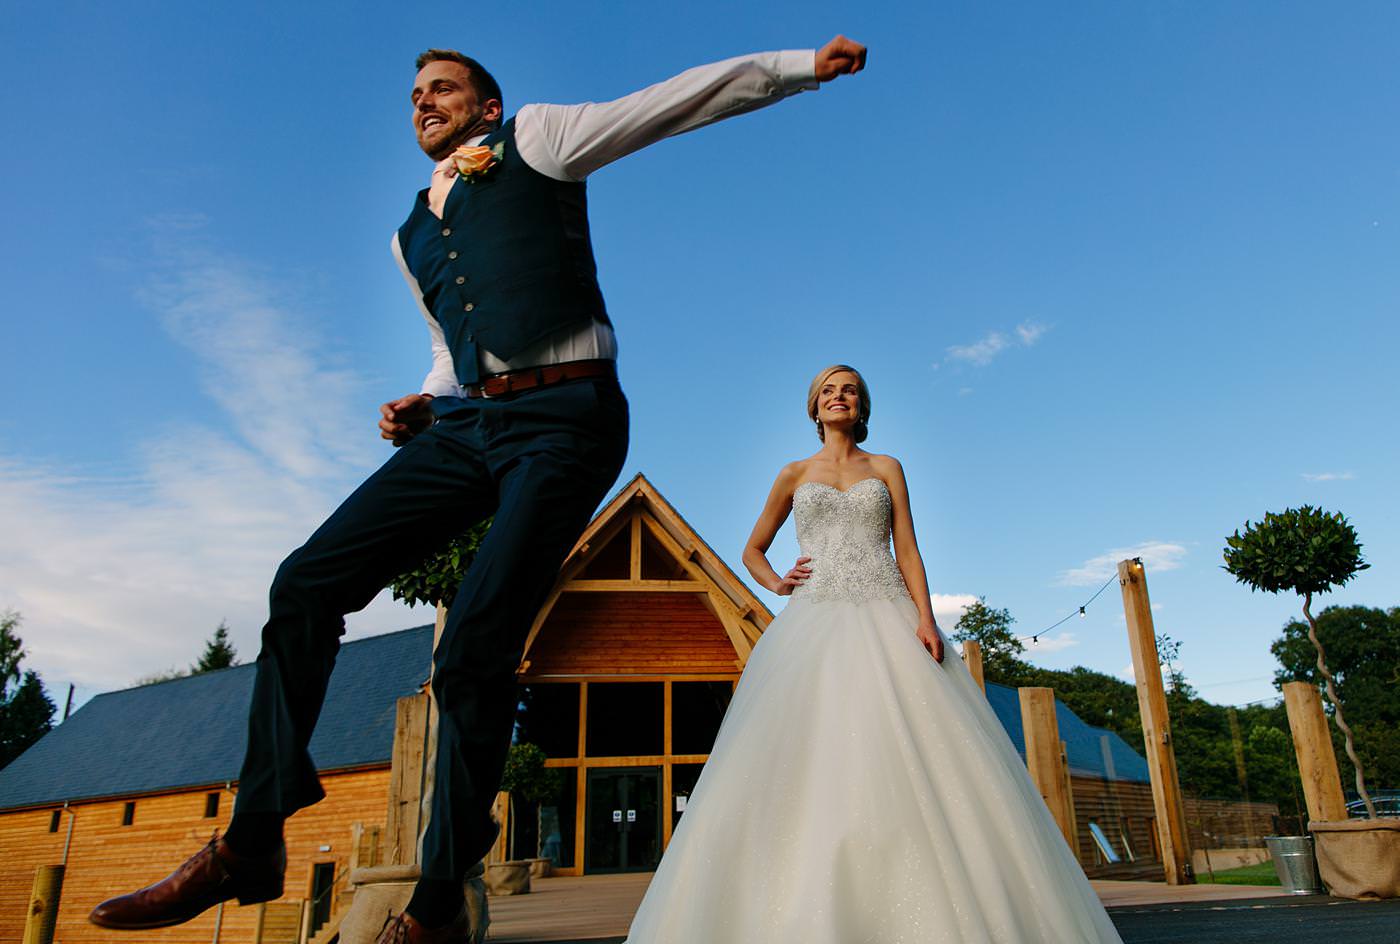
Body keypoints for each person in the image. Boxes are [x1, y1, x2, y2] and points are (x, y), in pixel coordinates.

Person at [88, 37, 868, 944]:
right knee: (304, 584)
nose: (425, 100)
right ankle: (254, 839)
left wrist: (800, 66)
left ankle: (437, 901)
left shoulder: (540, 138)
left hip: (569, 415)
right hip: (468, 427)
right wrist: (423, 404)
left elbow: (676, 101)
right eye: (415, 93)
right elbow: (448, 356)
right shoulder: (408, 235)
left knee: (474, 644)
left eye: (444, 88)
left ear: (486, 107)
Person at [622, 365, 1125, 943]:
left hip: (888, 611)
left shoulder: (886, 468)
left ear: (861, 407)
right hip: (814, 618)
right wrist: (778, 583)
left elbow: (907, 547)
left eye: (850, 390)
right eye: (828, 391)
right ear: (815, 409)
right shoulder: (793, 473)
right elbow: (752, 549)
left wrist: (927, 619)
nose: (839, 397)